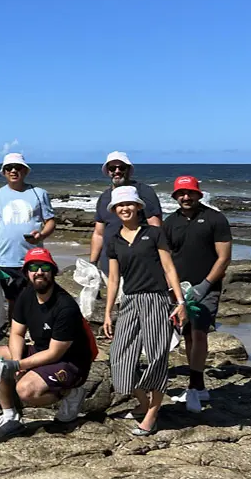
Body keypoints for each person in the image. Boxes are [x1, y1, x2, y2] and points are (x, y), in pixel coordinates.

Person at [102, 186, 187, 436]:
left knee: (157, 356)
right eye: (120, 205)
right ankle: (143, 402)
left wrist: (180, 302)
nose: (125, 208)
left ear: (138, 207)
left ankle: (152, 413)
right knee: (119, 358)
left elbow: (169, 268)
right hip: (128, 302)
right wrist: (108, 313)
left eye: (129, 204)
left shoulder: (154, 233)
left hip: (156, 300)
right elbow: (114, 279)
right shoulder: (114, 240)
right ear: (115, 210)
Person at [0, 247, 95, 436]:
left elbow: (55, 353)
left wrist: (18, 364)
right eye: (33, 267)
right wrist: (17, 363)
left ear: (53, 271)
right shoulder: (26, 296)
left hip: (70, 361)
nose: (39, 272)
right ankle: (10, 414)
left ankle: (71, 393)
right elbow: (17, 333)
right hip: (40, 350)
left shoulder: (65, 306)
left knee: (26, 390)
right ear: (27, 273)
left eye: (44, 267)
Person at [163, 176, 232, 412]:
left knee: (199, 332)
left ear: (198, 194)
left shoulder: (215, 218)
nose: (185, 197)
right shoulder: (170, 222)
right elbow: (166, 257)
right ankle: (198, 383)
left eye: (190, 193)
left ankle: (195, 384)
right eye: (180, 193)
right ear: (175, 196)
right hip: (179, 290)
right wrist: (172, 288)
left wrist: (204, 285)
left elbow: (224, 258)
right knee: (187, 335)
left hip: (207, 288)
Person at [0, 152, 57, 319]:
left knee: (37, 297)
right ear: (4, 172)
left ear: (25, 171)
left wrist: (41, 235)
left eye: (18, 167)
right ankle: (14, 331)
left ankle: (37, 330)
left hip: (33, 258)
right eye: (9, 168)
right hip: (6, 259)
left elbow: (51, 222)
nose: (13, 171)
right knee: (12, 299)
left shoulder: (39, 193)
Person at [90, 151, 162, 275]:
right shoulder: (104, 197)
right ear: (108, 171)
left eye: (121, 167)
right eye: (112, 168)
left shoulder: (144, 192)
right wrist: (92, 263)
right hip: (109, 267)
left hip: (138, 268)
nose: (117, 171)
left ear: (128, 169)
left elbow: (156, 229)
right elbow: (98, 234)